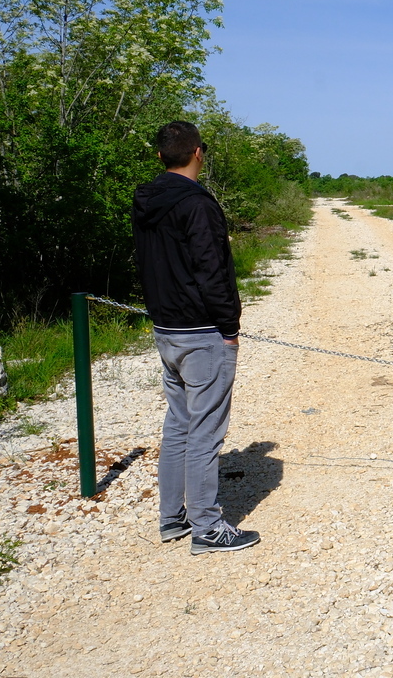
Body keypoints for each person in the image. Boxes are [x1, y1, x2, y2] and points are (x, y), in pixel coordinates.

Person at [132, 121, 260, 555]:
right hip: (202, 330)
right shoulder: (197, 204)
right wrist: (230, 327)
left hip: (165, 327)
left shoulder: (145, 199)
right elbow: (211, 270)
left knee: (180, 424)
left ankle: (173, 518)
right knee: (205, 430)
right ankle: (207, 526)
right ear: (199, 153)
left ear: (160, 156)